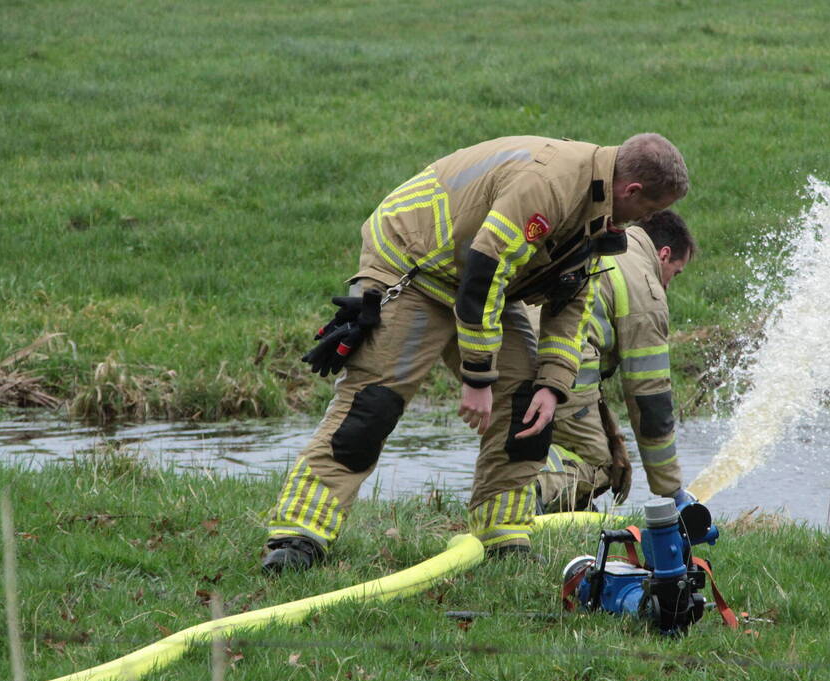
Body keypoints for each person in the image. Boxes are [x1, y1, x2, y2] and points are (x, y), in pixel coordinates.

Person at [263, 134, 689, 573]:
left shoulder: (602, 211)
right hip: (416, 265)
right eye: (650, 210)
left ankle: (503, 535)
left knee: (525, 403)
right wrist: (479, 377)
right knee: (372, 404)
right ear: (631, 190)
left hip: (483, 283)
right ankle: (300, 535)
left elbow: (573, 300)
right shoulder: (551, 183)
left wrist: (552, 382)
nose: (648, 221)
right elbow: (485, 271)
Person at [536, 210, 696, 513]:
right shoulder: (647, 290)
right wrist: (671, 489)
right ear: (663, 255)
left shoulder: (610, 245)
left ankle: (556, 509)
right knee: (598, 463)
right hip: (561, 365)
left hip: (516, 350)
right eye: (675, 273)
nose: (669, 286)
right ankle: (529, 490)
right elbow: (650, 397)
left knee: (548, 439)